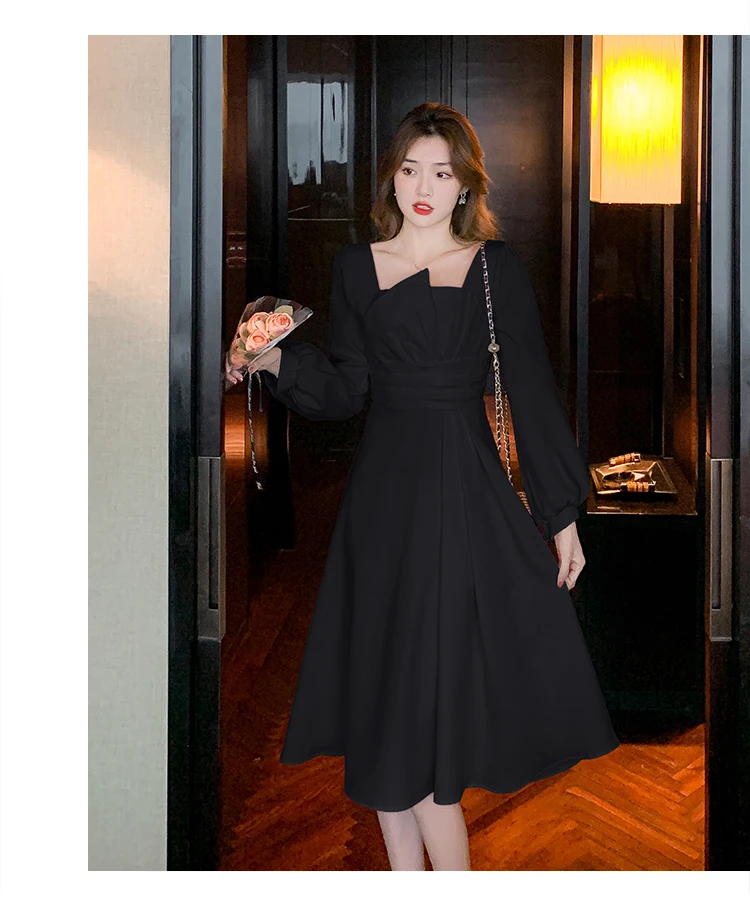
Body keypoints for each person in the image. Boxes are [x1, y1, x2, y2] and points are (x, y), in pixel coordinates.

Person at [224, 102, 620, 871]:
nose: (424, 188)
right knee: (385, 717)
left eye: (442, 172)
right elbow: (346, 389)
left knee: (429, 731)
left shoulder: (496, 269)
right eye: (410, 170)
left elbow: (532, 396)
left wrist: (562, 515)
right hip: (381, 505)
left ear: (466, 184)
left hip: (463, 498)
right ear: (392, 178)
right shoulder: (356, 267)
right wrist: (271, 359)